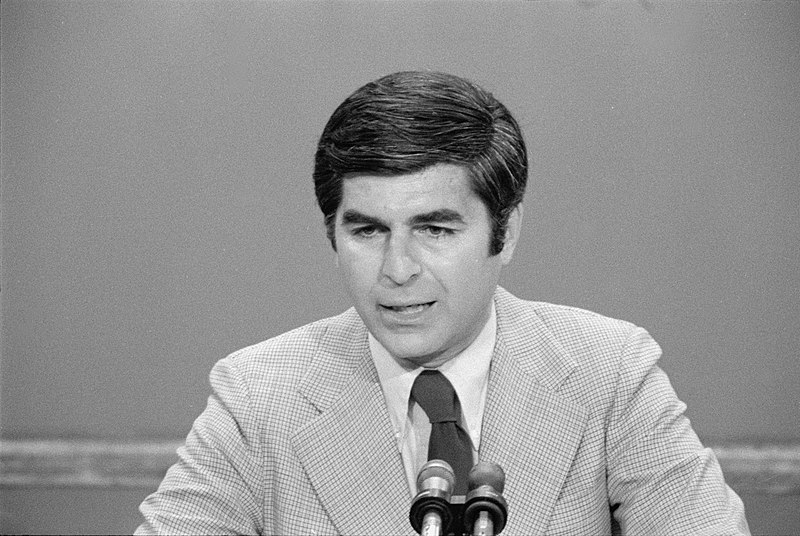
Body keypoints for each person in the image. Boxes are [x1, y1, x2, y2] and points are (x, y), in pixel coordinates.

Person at [136, 71, 749, 535]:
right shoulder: (256, 396)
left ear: (504, 234)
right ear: (333, 235)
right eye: (368, 231)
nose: (397, 271)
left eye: (435, 230)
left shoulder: (609, 372)